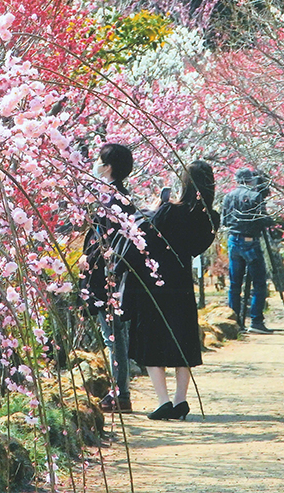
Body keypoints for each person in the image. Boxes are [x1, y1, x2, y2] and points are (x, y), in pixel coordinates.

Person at [119, 160, 220, 421]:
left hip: (156, 283)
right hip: (183, 284)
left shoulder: (169, 211)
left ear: (184, 183)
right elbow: (196, 248)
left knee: (151, 339)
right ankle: (180, 400)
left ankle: (163, 401)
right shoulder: (211, 217)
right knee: (182, 338)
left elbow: (145, 242)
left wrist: (155, 211)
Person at [80, 143, 138, 413]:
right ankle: (121, 392)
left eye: (100, 161)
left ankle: (120, 394)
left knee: (113, 337)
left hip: (107, 277)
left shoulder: (111, 200)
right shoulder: (119, 197)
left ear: (109, 166)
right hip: (115, 275)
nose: (96, 165)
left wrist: (87, 259)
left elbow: (102, 240)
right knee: (117, 336)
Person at [222, 168, 275, 334]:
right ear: (251, 180)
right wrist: (270, 220)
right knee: (259, 282)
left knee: (234, 284)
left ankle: (235, 321)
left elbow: (224, 220)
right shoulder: (255, 196)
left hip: (233, 240)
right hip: (250, 242)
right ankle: (256, 320)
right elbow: (262, 219)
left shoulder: (228, 196)